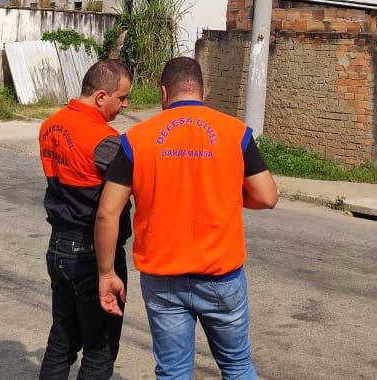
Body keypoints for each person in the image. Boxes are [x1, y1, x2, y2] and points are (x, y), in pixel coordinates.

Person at [95, 56, 278, 380]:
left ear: (164, 93)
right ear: (203, 92)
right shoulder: (236, 133)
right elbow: (267, 196)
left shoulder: (136, 140)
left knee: (173, 372)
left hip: (163, 277)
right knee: (237, 366)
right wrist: (222, 195)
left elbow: (108, 212)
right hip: (221, 276)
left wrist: (106, 273)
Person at [38, 59, 133, 380]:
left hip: (58, 250)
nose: (126, 105)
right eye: (122, 98)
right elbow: (139, 186)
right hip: (94, 255)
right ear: (102, 96)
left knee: (62, 338)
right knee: (99, 348)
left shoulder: (50, 125)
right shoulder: (105, 141)